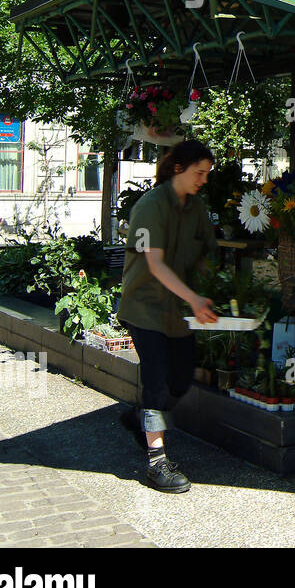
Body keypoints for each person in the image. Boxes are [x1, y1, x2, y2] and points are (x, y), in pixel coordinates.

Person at [117, 140, 219, 493]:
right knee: (158, 383)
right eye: (199, 173)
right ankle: (156, 462)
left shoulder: (196, 207)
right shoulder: (149, 206)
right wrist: (194, 298)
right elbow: (154, 263)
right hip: (144, 307)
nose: (204, 180)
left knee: (180, 380)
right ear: (179, 169)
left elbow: (207, 250)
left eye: (207, 174)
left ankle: (141, 417)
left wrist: (213, 287)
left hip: (178, 312)